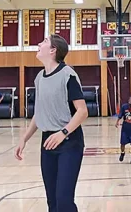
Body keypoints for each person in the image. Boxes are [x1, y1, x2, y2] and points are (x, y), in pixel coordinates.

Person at [14, 34, 89, 212]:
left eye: (45, 41)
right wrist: (24, 138)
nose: (39, 44)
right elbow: (39, 113)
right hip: (47, 142)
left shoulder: (68, 74)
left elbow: (82, 111)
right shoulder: (39, 77)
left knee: (64, 200)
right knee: (52, 201)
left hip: (69, 141)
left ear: (53, 50)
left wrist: (63, 133)